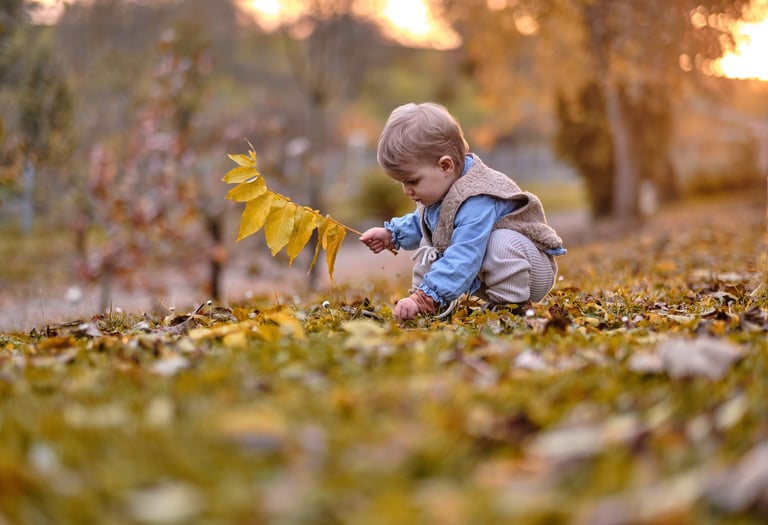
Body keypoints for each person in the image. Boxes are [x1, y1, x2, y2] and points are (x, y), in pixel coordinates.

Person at [359, 102, 566, 320]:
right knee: (430, 243)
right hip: (495, 270)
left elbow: (465, 255)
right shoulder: (443, 190)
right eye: (401, 182)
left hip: (531, 272)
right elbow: (425, 221)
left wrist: (425, 298)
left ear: (445, 166)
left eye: (412, 181)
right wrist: (392, 234)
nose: (406, 191)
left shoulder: (477, 198)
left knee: (499, 242)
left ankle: (511, 308)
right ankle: (428, 304)